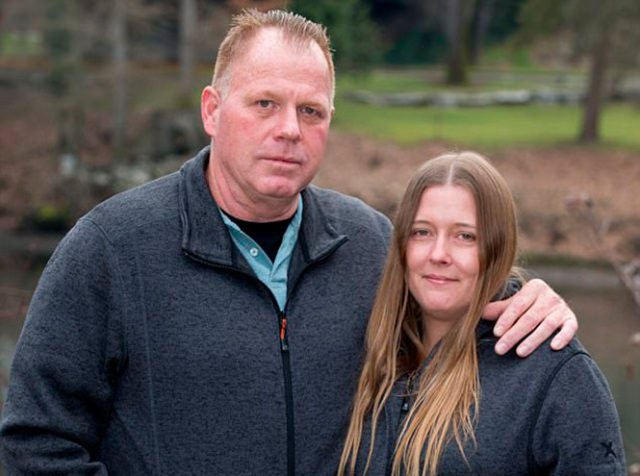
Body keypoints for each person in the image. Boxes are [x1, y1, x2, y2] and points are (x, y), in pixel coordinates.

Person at [0, 10, 578, 475]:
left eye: (311, 111)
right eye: (265, 104)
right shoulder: (110, 249)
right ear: (212, 110)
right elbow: (35, 444)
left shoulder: (369, 244)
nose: (289, 130)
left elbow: (462, 295)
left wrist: (529, 298)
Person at [339, 152, 625, 476]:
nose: (439, 254)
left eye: (465, 236)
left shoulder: (555, 374)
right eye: (422, 232)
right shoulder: (371, 353)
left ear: (498, 248)